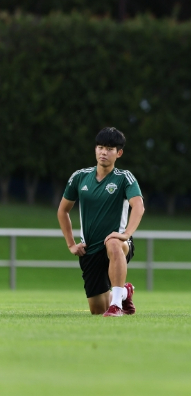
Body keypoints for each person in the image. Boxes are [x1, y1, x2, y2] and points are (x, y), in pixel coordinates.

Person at [57, 127, 145, 317]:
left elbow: (138, 207)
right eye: (100, 147)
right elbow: (63, 211)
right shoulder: (79, 177)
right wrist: (71, 244)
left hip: (118, 244)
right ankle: (123, 292)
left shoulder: (124, 178)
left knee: (112, 242)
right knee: (97, 310)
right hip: (90, 249)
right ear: (95, 149)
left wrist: (126, 235)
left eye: (110, 148)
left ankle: (116, 306)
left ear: (119, 153)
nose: (104, 152)